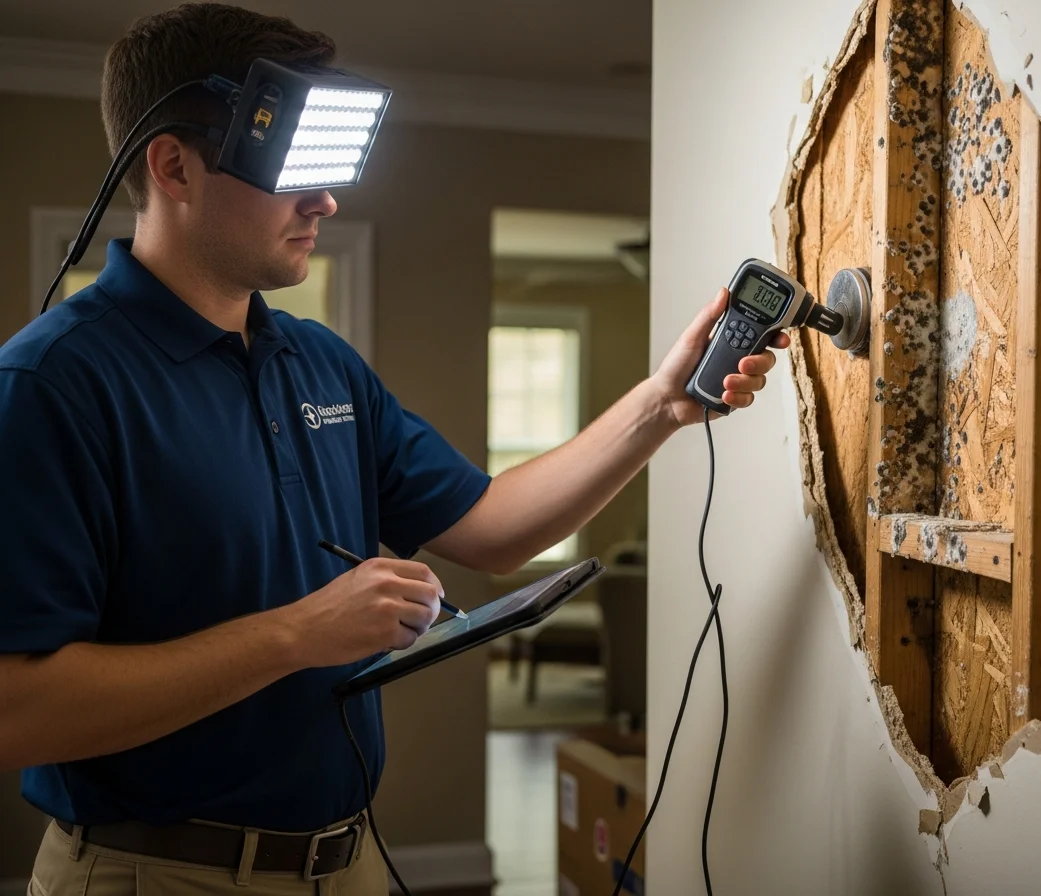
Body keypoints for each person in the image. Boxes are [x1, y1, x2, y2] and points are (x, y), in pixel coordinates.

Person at [0, 4, 788, 894]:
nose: (327, 201)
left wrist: (659, 405)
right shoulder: (52, 385)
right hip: (157, 872)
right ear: (173, 165)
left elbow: (491, 528)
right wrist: (301, 633)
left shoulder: (319, 361)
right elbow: (16, 709)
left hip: (348, 862)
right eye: (291, 166)